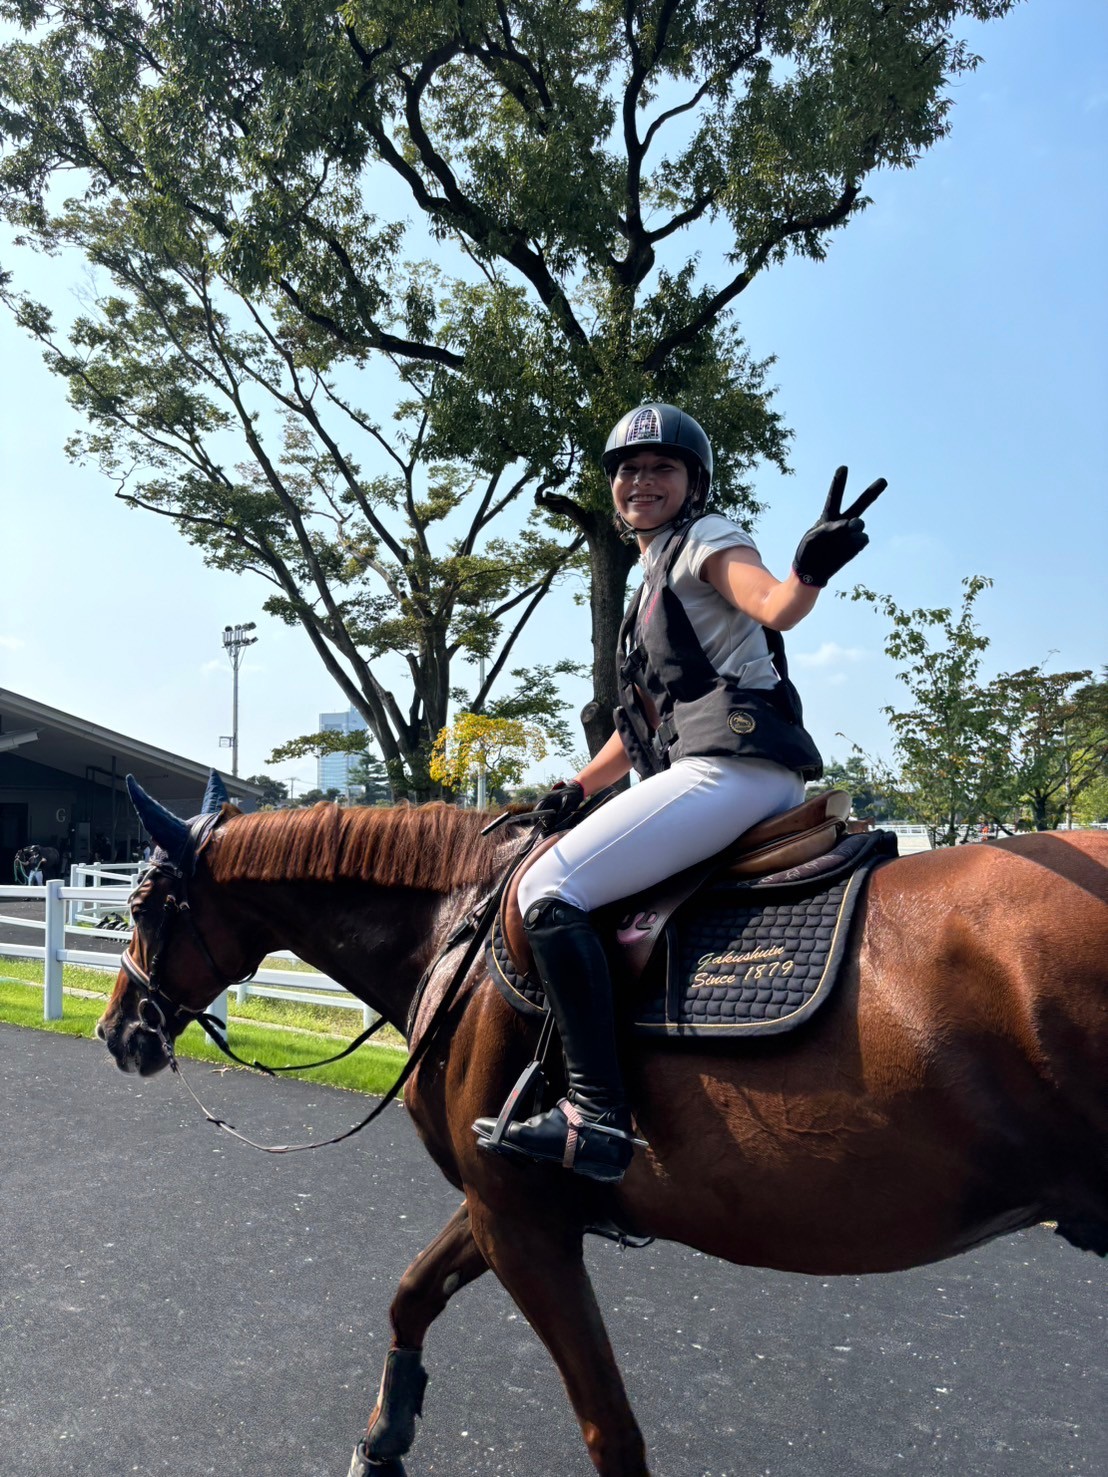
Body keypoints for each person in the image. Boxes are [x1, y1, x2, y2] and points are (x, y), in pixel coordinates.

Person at [474, 403, 886, 1184]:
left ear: (694, 483)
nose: (642, 480)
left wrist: (809, 572)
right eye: (628, 469)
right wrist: (577, 785)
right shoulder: (649, 583)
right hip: (720, 768)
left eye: (662, 467)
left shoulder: (707, 539)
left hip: (733, 766)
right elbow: (640, 721)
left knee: (545, 888)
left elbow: (775, 606)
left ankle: (596, 1114)